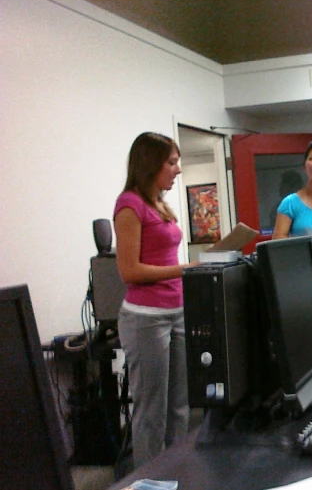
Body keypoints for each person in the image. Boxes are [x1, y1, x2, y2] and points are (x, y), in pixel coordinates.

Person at [113, 132, 197, 468]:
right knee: (151, 412)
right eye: (172, 162)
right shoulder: (129, 205)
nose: (178, 169)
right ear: (151, 164)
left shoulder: (158, 203)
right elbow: (129, 271)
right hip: (146, 318)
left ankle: (176, 473)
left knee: (180, 406)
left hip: (176, 311)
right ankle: (149, 480)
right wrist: (185, 269)